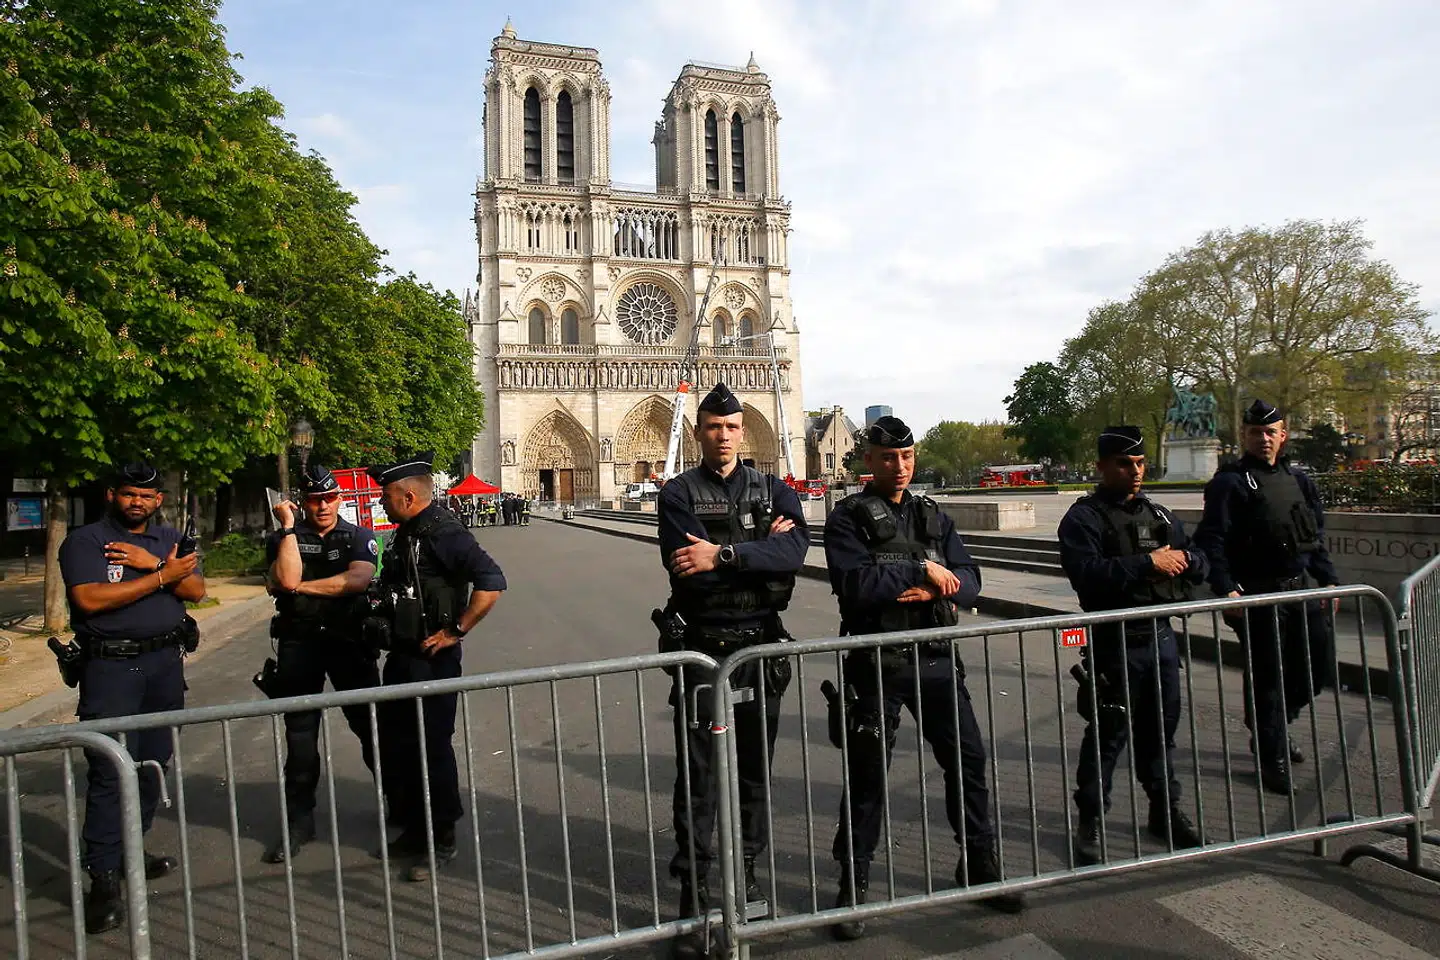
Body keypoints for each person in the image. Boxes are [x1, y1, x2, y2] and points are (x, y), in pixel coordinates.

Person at [824, 415, 1022, 941]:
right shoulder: (847, 518)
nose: (901, 466)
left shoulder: (933, 514)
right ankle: (854, 881)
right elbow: (853, 584)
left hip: (934, 657)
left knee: (968, 763)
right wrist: (919, 572)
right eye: (889, 458)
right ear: (868, 461)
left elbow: (971, 581)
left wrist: (940, 586)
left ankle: (980, 862)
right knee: (867, 776)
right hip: (878, 662)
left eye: (908, 457)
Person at [655, 382, 808, 960]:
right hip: (703, 649)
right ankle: (694, 890)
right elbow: (683, 572)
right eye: (713, 427)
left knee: (753, 771)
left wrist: (721, 554)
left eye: (732, 426)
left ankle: (746, 872)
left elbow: (794, 557)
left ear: (744, 430)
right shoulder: (677, 494)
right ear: (699, 431)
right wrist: (757, 553)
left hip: (758, 649)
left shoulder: (775, 489)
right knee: (697, 774)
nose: (723, 435)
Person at [59, 463, 205, 934]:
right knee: (109, 768)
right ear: (112, 495)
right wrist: (161, 577)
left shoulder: (168, 540)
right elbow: (90, 599)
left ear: (158, 499)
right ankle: (102, 875)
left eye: (146, 495)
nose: (137, 502)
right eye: (128, 494)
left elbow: (197, 590)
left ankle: (129, 850)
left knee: (152, 764)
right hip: (112, 668)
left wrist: (156, 566)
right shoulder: (85, 541)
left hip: (164, 665)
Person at [1056, 426, 1208, 866]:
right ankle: (1090, 820)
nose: (1135, 471)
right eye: (1125, 464)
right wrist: (1147, 564)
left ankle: (1165, 809)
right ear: (1102, 466)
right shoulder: (1083, 518)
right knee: (1107, 734)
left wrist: (1183, 561)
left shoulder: (1158, 514)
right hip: (1114, 643)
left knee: (1161, 733)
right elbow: (1087, 574)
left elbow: (1199, 559)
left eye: (1140, 463)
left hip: (1160, 638)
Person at [370, 452, 507, 882]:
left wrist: (456, 630)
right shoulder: (406, 532)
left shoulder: (444, 532)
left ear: (408, 496)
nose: (381, 503)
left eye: (386, 496)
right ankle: (414, 829)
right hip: (403, 656)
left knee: (431, 749)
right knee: (400, 747)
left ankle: (442, 836)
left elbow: (492, 581)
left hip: (432, 661)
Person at [1195, 400, 1339, 794]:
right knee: (1269, 678)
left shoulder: (1299, 481)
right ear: (1243, 435)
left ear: (1283, 434)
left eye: (1270, 432)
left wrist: (1328, 580)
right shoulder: (1230, 483)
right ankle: (1271, 752)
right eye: (1255, 432)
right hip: (1257, 595)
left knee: (1316, 669)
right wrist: (1226, 588)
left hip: (1299, 589)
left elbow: (1314, 535)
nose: (1263, 439)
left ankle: (1268, 724)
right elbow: (1212, 539)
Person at [260, 464, 381, 863]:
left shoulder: (359, 536)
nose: (324, 506)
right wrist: (290, 529)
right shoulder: (284, 538)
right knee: (300, 737)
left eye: (329, 498)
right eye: (314, 500)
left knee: (371, 729)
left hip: (349, 642)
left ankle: (400, 804)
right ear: (303, 502)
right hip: (301, 643)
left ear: (339, 498)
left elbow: (357, 581)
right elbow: (283, 577)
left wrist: (301, 588)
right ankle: (299, 821)